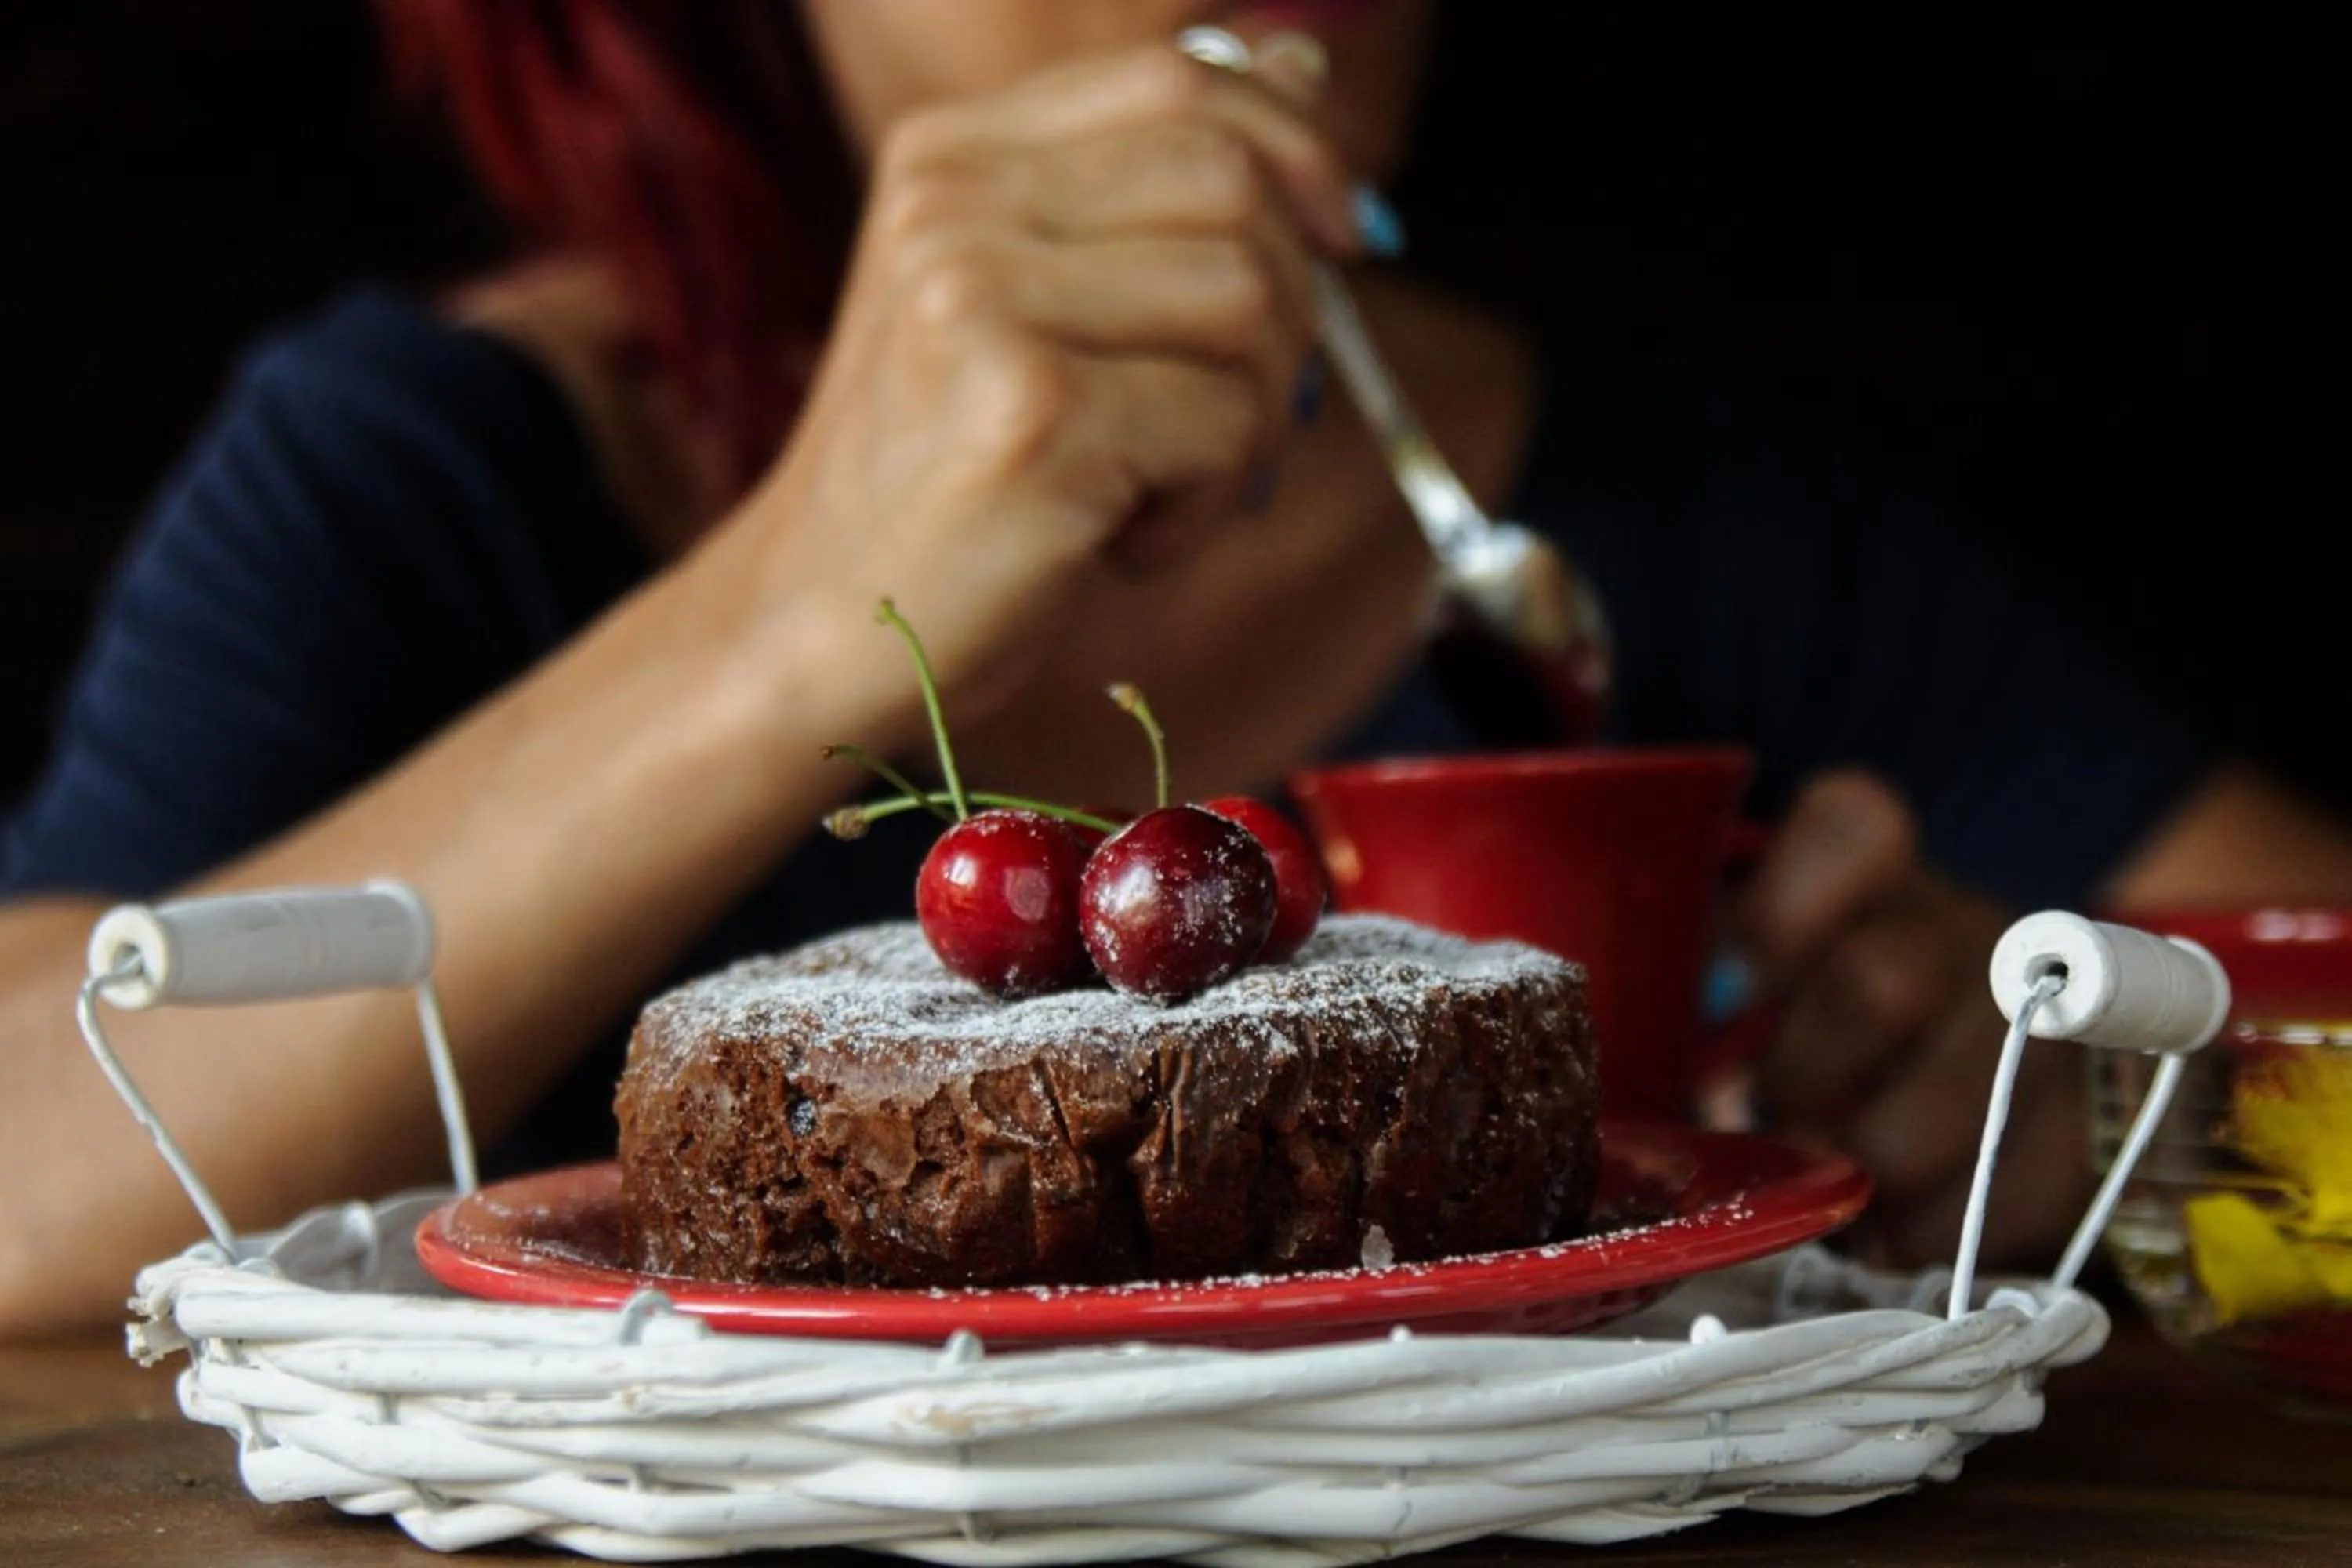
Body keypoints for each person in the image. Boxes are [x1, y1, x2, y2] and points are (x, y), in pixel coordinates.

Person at [3, 1, 2349, 1334]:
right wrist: (805, 606)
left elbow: (2311, 1035)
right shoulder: (432, 477)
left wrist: (2121, 1114)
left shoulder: (1653, 522)